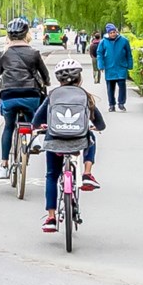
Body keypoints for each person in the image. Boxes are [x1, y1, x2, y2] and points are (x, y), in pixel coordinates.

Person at [0, 21, 50, 180]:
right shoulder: (34, 53)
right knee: (33, 118)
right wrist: (47, 82)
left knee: (8, 127)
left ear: (8, 36)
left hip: (9, 95)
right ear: (27, 35)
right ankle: (35, 138)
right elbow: (45, 76)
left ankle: (3, 165)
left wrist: (4, 53)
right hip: (30, 94)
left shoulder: (5, 53)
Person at [43, 57, 105, 200]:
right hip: (79, 139)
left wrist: (40, 126)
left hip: (54, 140)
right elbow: (100, 124)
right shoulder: (84, 96)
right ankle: (87, 173)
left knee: (52, 176)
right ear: (80, 79)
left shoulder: (52, 96)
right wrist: (95, 127)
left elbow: (37, 119)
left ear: (59, 80)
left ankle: (51, 217)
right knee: (91, 137)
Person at [94, 23, 135, 113]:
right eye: (111, 32)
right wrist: (100, 65)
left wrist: (130, 64)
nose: (113, 34)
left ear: (116, 32)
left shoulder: (124, 41)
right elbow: (99, 54)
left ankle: (121, 103)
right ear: (108, 33)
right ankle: (111, 105)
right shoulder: (103, 42)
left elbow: (129, 54)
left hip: (121, 67)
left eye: (114, 32)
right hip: (110, 68)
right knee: (110, 88)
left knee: (122, 86)